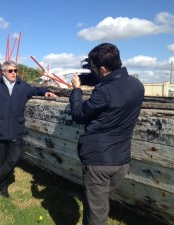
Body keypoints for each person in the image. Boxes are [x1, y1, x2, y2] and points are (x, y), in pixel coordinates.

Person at [69, 43, 144, 225]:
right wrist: (88, 78)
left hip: (99, 163)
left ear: (102, 69)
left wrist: (76, 90)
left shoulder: (104, 92)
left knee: (97, 217)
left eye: (94, 68)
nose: (93, 71)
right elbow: (112, 81)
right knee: (97, 205)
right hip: (121, 161)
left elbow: (79, 115)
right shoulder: (137, 85)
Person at [0, 60, 57, 198]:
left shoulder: (22, 86)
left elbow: (35, 89)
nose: (14, 73)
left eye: (15, 70)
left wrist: (46, 91)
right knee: (0, 161)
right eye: (11, 71)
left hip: (16, 128)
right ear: (3, 72)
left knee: (14, 158)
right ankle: (3, 187)